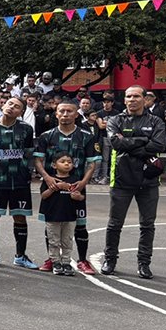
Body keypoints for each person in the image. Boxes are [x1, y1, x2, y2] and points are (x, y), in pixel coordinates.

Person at [102, 85, 165, 279]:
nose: (132, 99)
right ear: (124, 100)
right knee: (115, 224)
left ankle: (144, 263)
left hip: (149, 180)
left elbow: (159, 145)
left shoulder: (156, 121)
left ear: (145, 99)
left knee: (147, 225)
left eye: (136, 96)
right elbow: (116, 143)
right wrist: (144, 141)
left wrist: (128, 143)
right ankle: (110, 260)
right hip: (122, 179)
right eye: (128, 96)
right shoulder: (115, 120)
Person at [33, 101, 100, 274]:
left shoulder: (86, 136)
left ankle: (82, 260)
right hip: (52, 186)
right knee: (52, 225)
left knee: (79, 224)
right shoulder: (46, 136)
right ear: (56, 114)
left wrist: (83, 182)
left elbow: (92, 163)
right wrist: (47, 177)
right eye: (61, 111)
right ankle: (53, 259)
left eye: (69, 111)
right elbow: (38, 160)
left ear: (76, 114)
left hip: (76, 186)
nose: (65, 114)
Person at [0, 96, 39, 269]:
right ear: (3, 105)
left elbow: (28, 153)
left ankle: (20, 256)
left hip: (20, 180)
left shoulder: (26, 129)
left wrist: (24, 170)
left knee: (20, 216)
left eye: (16, 106)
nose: (11, 107)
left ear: (21, 112)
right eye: (10, 103)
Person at [40, 153, 86, 277]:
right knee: (54, 241)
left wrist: (78, 197)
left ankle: (66, 262)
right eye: (63, 161)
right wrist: (56, 187)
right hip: (53, 216)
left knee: (67, 241)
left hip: (70, 216)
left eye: (69, 162)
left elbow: (82, 196)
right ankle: (55, 262)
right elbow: (43, 195)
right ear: (54, 165)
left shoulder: (75, 180)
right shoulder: (50, 180)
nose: (66, 164)